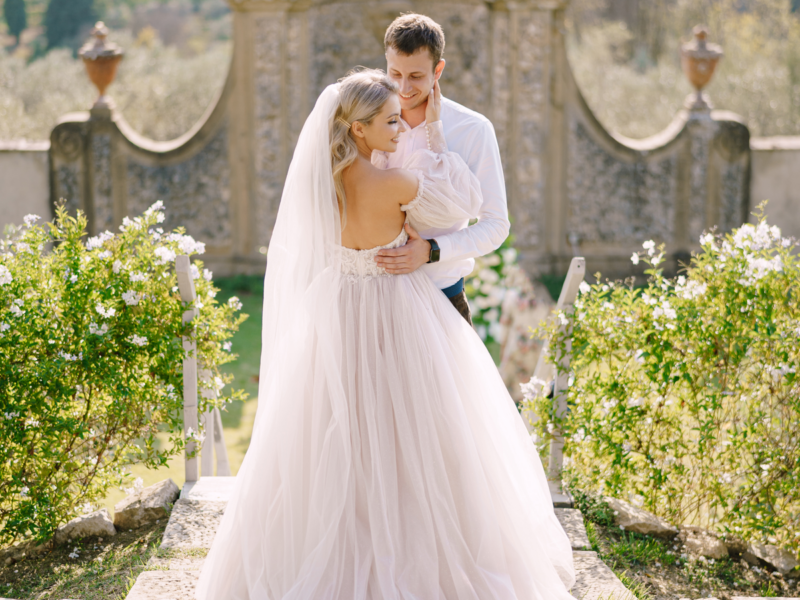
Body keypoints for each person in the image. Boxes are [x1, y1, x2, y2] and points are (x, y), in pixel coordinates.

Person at [195, 70, 575, 600]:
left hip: (335, 304)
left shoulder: (323, 180)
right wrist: (435, 136)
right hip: (395, 305)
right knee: (414, 426)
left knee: (333, 421)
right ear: (358, 129)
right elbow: (462, 202)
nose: (401, 130)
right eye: (390, 121)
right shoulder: (396, 183)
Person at [373, 13, 510, 326]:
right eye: (395, 73)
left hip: (442, 298)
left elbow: (496, 225)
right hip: (373, 299)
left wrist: (431, 251)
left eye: (416, 76)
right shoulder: (368, 123)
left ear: (438, 70)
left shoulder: (473, 129)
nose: (403, 88)